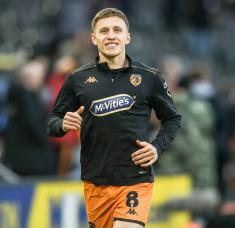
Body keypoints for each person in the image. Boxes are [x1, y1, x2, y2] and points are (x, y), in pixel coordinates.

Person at [47, 8, 181, 228]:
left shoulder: (149, 77)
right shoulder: (77, 79)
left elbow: (173, 119)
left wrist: (157, 147)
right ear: (94, 38)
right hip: (95, 182)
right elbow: (52, 122)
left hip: (135, 179)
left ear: (127, 37)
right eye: (104, 30)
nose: (111, 35)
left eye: (117, 30)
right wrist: (62, 124)